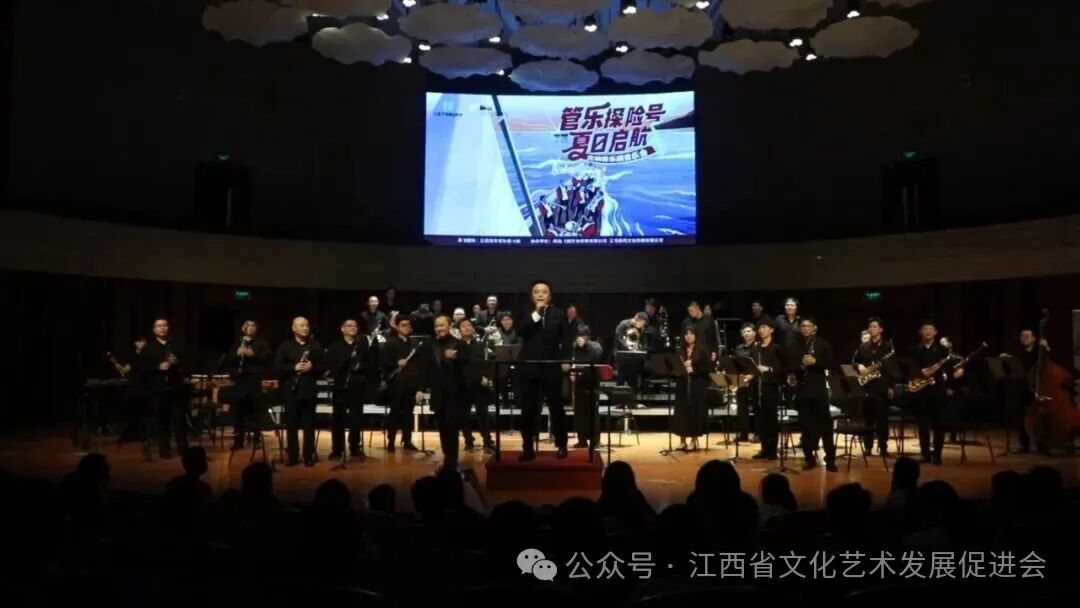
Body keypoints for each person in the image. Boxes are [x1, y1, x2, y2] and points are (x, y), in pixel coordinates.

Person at [517, 280, 570, 461]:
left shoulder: (558, 314)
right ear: (531, 296)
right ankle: (527, 447)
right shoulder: (526, 313)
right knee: (528, 409)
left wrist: (566, 360)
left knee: (557, 408)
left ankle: (562, 445)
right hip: (530, 366)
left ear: (550, 296)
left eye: (544, 292)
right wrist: (537, 314)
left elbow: (566, 339)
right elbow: (521, 331)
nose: (540, 294)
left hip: (551, 365)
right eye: (536, 291)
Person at [273, 317, 325, 466]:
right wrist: (293, 367)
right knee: (292, 425)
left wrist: (313, 366)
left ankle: (308, 456)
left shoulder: (315, 345)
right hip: (291, 390)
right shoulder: (285, 345)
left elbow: (324, 366)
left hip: (309, 390)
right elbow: (277, 366)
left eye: (307, 325)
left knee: (309, 425)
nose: (305, 328)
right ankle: (293, 456)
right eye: (301, 325)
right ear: (293, 328)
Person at [136, 318, 188, 459]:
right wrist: (157, 367)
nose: (163, 328)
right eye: (159, 326)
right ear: (154, 330)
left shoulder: (176, 345)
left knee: (179, 420)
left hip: (176, 388)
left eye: (165, 325)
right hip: (157, 389)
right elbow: (141, 368)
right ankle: (164, 450)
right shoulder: (148, 348)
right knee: (162, 420)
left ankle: (184, 450)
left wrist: (177, 362)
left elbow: (188, 363)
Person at [326, 319, 375, 460]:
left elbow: (371, 363)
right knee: (337, 418)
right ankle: (337, 449)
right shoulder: (335, 346)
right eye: (349, 326)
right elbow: (330, 364)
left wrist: (361, 366)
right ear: (342, 329)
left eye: (355, 326)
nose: (353, 328)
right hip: (340, 386)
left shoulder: (363, 345)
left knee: (356, 419)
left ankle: (354, 447)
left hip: (357, 386)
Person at [424, 314, 467, 471]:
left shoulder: (459, 344)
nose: (439, 328)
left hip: (454, 394)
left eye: (442, 325)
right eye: (437, 326)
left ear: (450, 326)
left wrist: (456, 357)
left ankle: (451, 462)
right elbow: (425, 367)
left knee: (452, 428)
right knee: (442, 428)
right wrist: (421, 388)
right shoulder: (430, 344)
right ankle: (447, 458)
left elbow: (467, 364)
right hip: (437, 393)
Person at [793, 317, 837, 472]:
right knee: (806, 427)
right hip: (802, 390)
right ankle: (809, 459)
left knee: (825, 426)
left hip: (818, 391)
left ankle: (830, 459)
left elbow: (831, 364)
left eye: (808, 326)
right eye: (802, 326)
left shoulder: (823, 345)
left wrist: (815, 362)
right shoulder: (796, 345)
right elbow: (790, 364)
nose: (805, 328)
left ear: (814, 328)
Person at [223, 321, 270, 451]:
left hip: (254, 379)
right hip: (240, 379)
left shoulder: (261, 344)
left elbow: (267, 359)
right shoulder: (237, 344)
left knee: (255, 410)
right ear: (244, 328)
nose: (251, 328)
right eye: (249, 326)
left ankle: (256, 439)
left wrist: (253, 354)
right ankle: (238, 440)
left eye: (254, 326)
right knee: (239, 410)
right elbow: (229, 362)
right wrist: (236, 354)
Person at [852, 317, 895, 457]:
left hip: (882, 386)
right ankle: (868, 447)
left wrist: (891, 386)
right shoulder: (863, 346)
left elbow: (892, 369)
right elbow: (854, 361)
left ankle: (883, 447)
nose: (871, 329)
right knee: (868, 419)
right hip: (867, 386)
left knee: (882, 420)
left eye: (874, 326)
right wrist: (859, 365)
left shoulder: (888, 347)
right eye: (870, 327)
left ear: (881, 329)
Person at [908, 320, 950, 465]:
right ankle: (925, 454)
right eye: (925, 329)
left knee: (939, 424)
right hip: (921, 389)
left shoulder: (943, 350)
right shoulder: (914, 349)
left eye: (931, 329)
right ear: (920, 332)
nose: (928, 331)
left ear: (935, 332)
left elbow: (948, 369)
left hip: (937, 390)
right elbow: (911, 368)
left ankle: (937, 455)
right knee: (922, 424)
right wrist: (921, 372)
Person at [380, 316, 422, 452]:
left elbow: (419, 365)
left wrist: (419, 387)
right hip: (396, 383)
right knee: (395, 412)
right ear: (397, 327)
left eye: (408, 325)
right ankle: (391, 441)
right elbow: (383, 363)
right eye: (403, 325)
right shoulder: (390, 344)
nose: (407, 327)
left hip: (411, 382)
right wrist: (396, 363)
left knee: (409, 413)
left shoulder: (414, 344)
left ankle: (407, 441)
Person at [458, 318, 495, 453]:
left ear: (473, 329)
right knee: (463, 415)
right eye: (463, 326)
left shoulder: (481, 345)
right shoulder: (457, 346)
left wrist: (487, 377)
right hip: (462, 385)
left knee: (483, 414)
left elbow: (488, 364)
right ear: (459, 330)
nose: (467, 328)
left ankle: (487, 441)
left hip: (479, 384)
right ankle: (468, 440)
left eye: (469, 326)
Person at [1012, 328, 1049, 453]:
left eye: (1027, 336)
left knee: (1040, 417)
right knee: (1021, 416)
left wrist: (1046, 347)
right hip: (1024, 387)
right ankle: (1024, 445)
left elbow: (1048, 362)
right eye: (1021, 336)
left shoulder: (1039, 352)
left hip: (1039, 387)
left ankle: (1042, 444)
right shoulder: (1018, 354)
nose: (1023, 338)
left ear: (1034, 339)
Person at [751, 320, 784, 460]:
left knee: (771, 419)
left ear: (771, 330)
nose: (761, 330)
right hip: (757, 386)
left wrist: (769, 369)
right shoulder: (755, 348)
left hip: (770, 386)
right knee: (760, 420)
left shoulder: (777, 348)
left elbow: (782, 369)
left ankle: (772, 450)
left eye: (764, 327)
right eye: (759, 328)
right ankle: (764, 448)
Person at [674, 327, 711, 451]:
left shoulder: (702, 349)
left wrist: (693, 368)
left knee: (695, 411)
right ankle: (682, 441)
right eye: (686, 334)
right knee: (682, 411)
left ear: (696, 335)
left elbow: (707, 368)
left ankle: (694, 441)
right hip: (683, 383)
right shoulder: (681, 350)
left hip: (697, 384)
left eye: (691, 334)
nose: (688, 336)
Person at [570, 327, 603, 449]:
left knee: (592, 412)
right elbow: (573, 362)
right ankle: (582, 440)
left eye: (582, 336)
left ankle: (595, 441)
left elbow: (596, 356)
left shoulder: (595, 346)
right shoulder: (575, 348)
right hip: (579, 383)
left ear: (588, 336)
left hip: (592, 383)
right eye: (578, 336)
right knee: (579, 413)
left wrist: (586, 345)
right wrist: (572, 373)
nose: (579, 338)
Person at [731, 322, 758, 443]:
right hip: (742, 380)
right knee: (742, 408)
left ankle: (758, 434)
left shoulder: (758, 347)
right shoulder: (738, 348)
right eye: (744, 332)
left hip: (756, 380)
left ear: (754, 333)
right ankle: (743, 434)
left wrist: (751, 375)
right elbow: (736, 365)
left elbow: (759, 364)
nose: (746, 334)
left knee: (757, 408)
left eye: (748, 331)